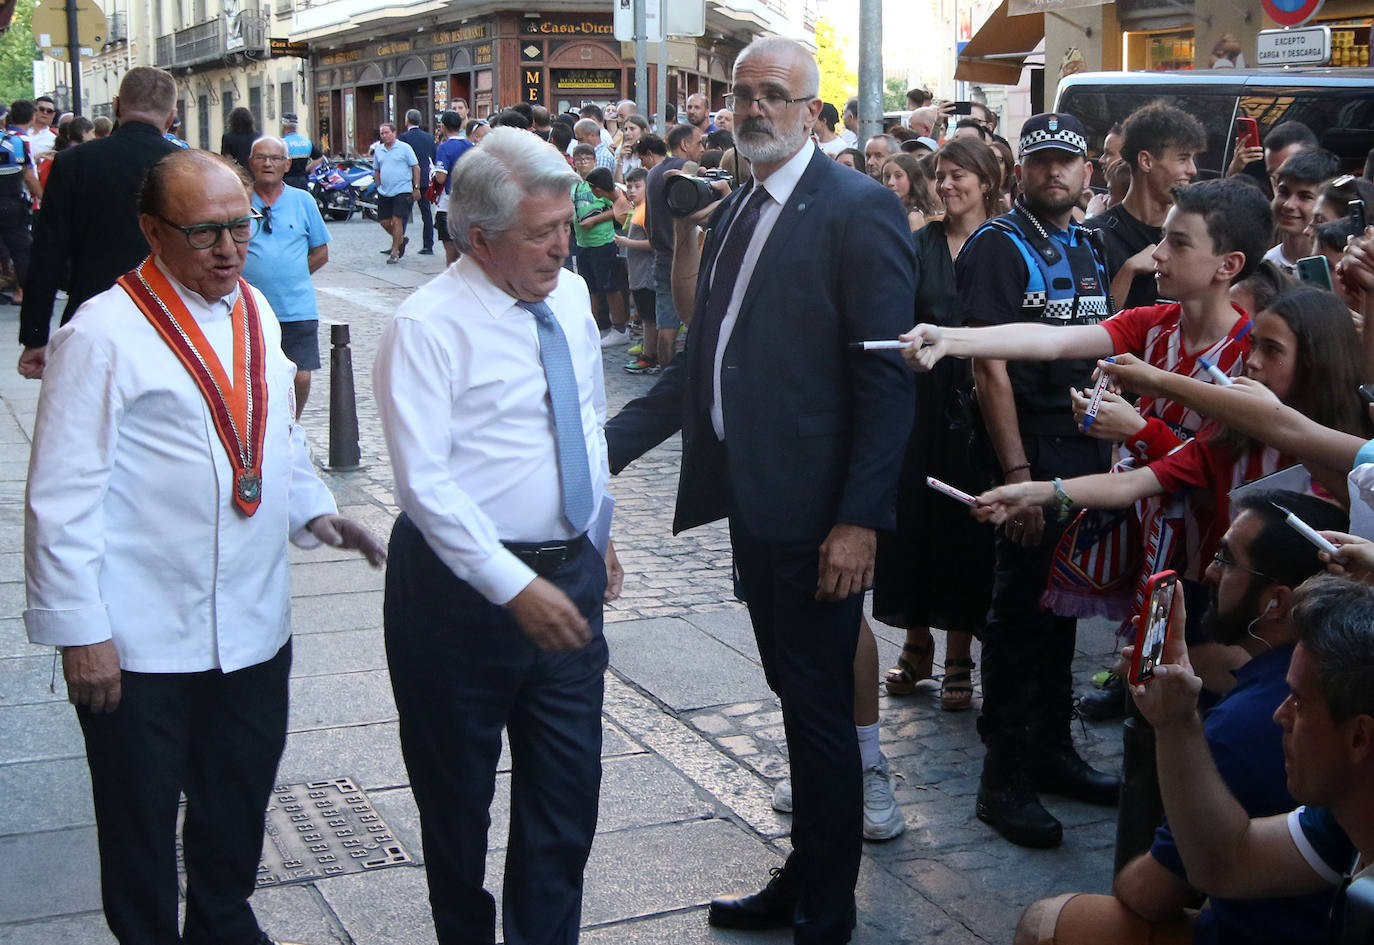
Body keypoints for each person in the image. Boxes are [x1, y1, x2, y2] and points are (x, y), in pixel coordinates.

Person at [23, 148, 384, 945]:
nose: (229, 248)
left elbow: (270, 433)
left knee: (236, 801)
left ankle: (222, 923)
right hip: (143, 639)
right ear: (153, 231)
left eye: (241, 226)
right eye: (205, 233)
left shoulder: (253, 309)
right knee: (141, 821)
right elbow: (59, 496)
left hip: (253, 626)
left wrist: (317, 509)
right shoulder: (102, 334)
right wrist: (81, 631)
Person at [605, 36, 915, 942]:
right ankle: (807, 872)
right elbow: (708, 355)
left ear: (813, 111)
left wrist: (858, 520)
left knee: (820, 710)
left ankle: (827, 902)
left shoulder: (858, 210)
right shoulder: (740, 202)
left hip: (821, 516)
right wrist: (602, 450)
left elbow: (888, 380)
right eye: (742, 95)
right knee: (795, 693)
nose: (753, 110)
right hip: (757, 506)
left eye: (774, 95)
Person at [374, 126, 619, 945]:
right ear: (478, 240)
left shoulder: (572, 295)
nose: (564, 245)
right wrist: (514, 586)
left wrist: (599, 531)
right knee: (456, 804)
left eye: (568, 222)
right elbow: (424, 484)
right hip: (460, 599)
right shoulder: (427, 326)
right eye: (542, 232)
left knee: (564, 801)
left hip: (568, 582)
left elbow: (584, 419)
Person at [904, 112, 1120, 850]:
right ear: (1018, 172)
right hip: (1028, 449)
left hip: (1085, 451)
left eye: (1068, 161)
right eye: (1041, 162)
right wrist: (1019, 474)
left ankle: (1053, 751)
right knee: (1020, 613)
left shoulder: (1087, 243)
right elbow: (989, 364)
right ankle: (1005, 779)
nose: (1054, 173)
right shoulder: (999, 246)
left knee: (1063, 610)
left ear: (1088, 170)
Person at [1015, 492, 1346, 945]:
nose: (1208, 572)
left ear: (1276, 602)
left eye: (1227, 560)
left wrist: (1175, 724)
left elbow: (1149, 894)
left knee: (1046, 924)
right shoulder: (1335, 673)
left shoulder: (1245, 724)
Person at [1124, 574, 1374, 944]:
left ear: (1359, 737)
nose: (1280, 714)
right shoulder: (1344, 815)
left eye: (1298, 700)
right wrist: (1174, 721)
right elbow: (1225, 862)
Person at [879, 137, 1002, 712]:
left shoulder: (1003, 241)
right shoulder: (920, 242)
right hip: (921, 401)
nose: (948, 185)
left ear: (986, 181)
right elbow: (895, 314)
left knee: (966, 523)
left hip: (982, 400)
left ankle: (959, 655)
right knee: (914, 520)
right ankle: (915, 645)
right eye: (942, 176)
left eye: (960, 176)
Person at [17, 66, 180, 379]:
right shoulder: (185, 166)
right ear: (171, 116)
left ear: (117, 105)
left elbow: (47, 253)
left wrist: (35, 336)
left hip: (90, 313)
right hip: (168, 317)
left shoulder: (72, 162)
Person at [1086, 103, 1206, 313]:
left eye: (1192, 159)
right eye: (1183, 158)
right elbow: (1090, 327)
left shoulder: (1197, 232)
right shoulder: (1094, 237)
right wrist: (1128, 271)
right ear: (1146, 161)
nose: (1192, 170)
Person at [243, 135, 330, 417]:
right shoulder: (239, 200)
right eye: (261, 157)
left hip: (296, 307)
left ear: (287, 164)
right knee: (253, 377)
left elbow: (320, 252)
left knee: (301, 376)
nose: (268, 163)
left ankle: (292, 425)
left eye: (275, 158)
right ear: (251, 163)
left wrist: (293, 276)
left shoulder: (303, 200)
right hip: (249, 309)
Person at [643, 123, 702, 367]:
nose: (702, 148)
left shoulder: (654, 172)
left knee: (666, 325)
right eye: (699, 143)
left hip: (661, 255)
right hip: (685, 256)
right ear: (685, 144)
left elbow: (647, 220)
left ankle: (664, 375)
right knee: (694, 322)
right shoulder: (688, 168)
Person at [571, 161, 630, 345]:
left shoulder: (610, 192)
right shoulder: (577, 185)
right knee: (591, 288)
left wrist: (595, 220)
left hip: (603, 242)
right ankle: (594, 325)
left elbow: (620, 209)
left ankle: (619, 328)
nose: (582, 161)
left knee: (610, 287)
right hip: (583, 243)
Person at [1264, 148, 1340, 275]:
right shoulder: (1262, 267)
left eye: (1304, 196)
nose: (1289, 205)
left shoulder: (1337, 274)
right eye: (1284, 192)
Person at [616, 167, 659, 374]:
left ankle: (649, 356)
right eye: (629, 186)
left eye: (637, 186)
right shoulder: (639, 208)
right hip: (637, 272)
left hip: (646, 273)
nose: (632, 190)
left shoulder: (647, 211)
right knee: (646, 316)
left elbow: (654, 243)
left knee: (649, 317)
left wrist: (627, 242)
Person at [0, 117, 41, 308]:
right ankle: (23, 291)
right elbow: (28, 175)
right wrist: (44, 198)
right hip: (11, 202)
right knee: (21, 249)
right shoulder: (15, 142)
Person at [371, 121, 419, 264]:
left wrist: (416, 187)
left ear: (394, 133)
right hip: (385, 191)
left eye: (387, 132)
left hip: (402, 189)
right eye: (382, 133)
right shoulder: (379, 150)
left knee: (397, 220)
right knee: (384, 222)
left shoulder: (404, 148)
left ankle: (394, 252)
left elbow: (416, 167)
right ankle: (401, 240)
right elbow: (377, 169)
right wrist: (378, 185)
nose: (385, 136)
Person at [432, 110, 474, 266]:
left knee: (450, 249)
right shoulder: (470, 145)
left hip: (448, 203)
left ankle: (451, 280)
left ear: (443, 126)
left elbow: (441, 177)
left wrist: (434, 172)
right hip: (468, 201)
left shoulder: (444, 148)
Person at [399, 108, 438, 255]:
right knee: (426, 214)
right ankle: (428, 245)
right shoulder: (429, 137)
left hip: (409, 180)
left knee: (402, 214)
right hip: (425, 180)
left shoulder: (403, 138)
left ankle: (398, 244)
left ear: (407, 120)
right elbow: (433, 157)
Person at [881, 152, 939, 231]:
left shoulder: (913, 217)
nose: (890, 182)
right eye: (887, 176)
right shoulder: (886, 211)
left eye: (898, 176)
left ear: (912, 178)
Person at [279, 112, 322, 191]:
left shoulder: (282, 143)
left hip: (287, 181)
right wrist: (306, 169)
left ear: (284, 126)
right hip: (303, 180)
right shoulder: (306, 142)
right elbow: (319, 158)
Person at [219, 106, 256, 171]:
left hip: (238, 173)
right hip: (255, 171)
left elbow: (227, 159)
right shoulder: (258, 136)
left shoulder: (228, 137)